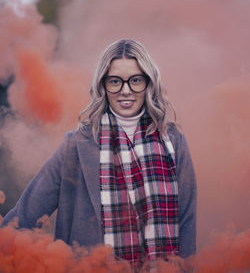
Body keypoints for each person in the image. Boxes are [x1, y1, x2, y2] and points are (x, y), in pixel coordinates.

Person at [1, 39, 196, 271]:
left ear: (149, 83)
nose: (126, 90)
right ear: (102, 85)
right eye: (115, 81)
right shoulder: (76, 144)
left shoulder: (173, 140)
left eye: (135, 80)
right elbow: (25, 217)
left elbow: (186, 222)